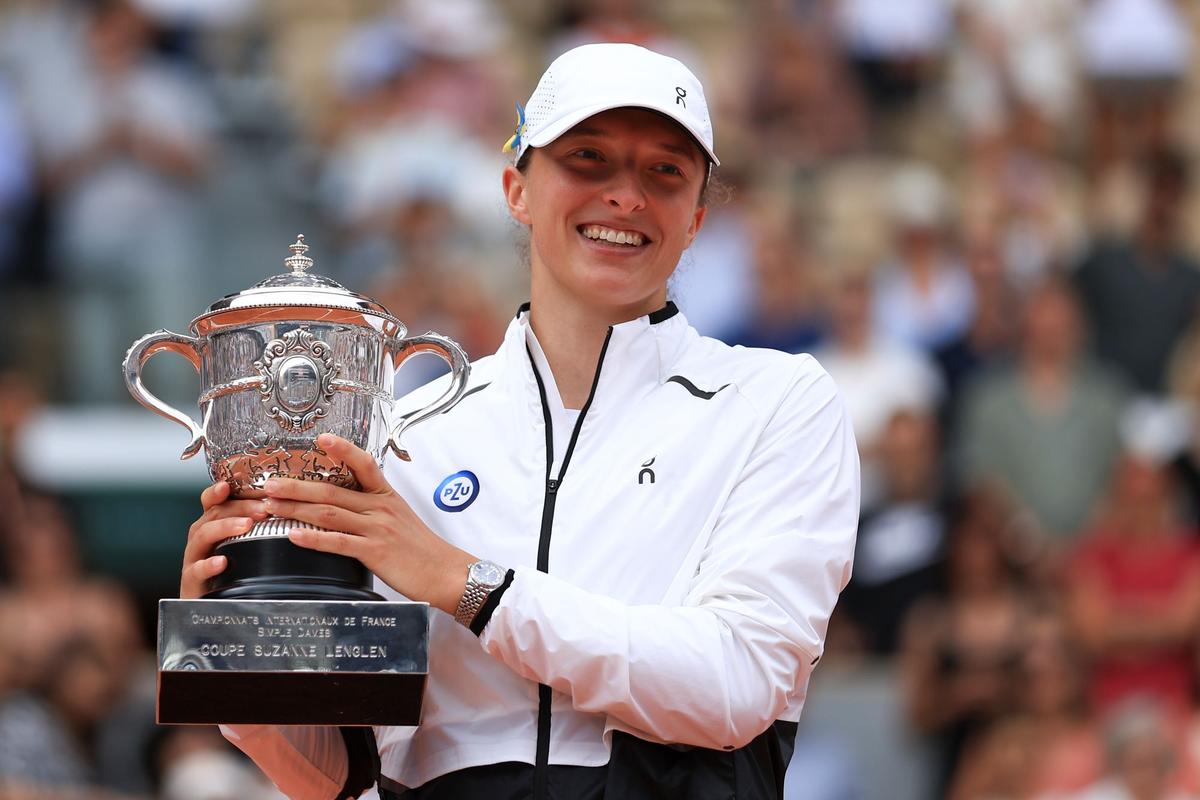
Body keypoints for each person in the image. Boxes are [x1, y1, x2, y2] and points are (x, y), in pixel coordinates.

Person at [182, 43, 860, 800]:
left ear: (696, 216)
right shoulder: (406, 432)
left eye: (664, 170)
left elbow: (735, 683)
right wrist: (236, 663)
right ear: (517, 189)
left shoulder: (777, 401)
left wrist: (472, 587)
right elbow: (345, 779)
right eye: (588, 158)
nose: (626, 196)